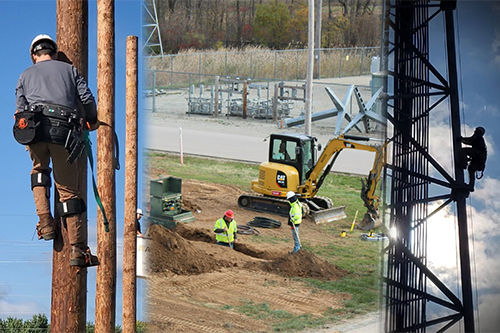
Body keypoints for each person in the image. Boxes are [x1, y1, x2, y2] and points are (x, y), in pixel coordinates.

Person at [14, 34, 100, 267]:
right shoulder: (70, 70)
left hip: (34, 132)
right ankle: (78, 250)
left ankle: (45, 224)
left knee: (39, 172)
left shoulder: (25, 75)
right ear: (53, 51)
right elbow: (87, 99)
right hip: (64, 133)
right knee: (69, 191)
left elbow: (20, 110)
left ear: (34, 55)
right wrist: (92, 119)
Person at [460, 126, 487, 192]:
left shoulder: (478, 137)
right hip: (479, 160)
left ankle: (463, 164)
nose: (475, 132)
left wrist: (462, 139)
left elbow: (470, 140)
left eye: (476, 131)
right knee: (471, 170)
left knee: (463, 151)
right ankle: (471, 186)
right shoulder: (480, 139)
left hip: (477, 156)